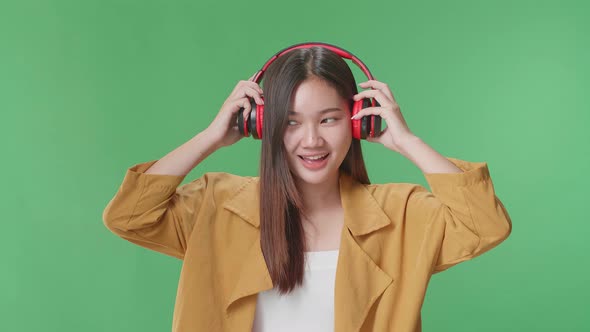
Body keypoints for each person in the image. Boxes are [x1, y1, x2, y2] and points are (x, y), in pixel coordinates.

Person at [103, 43, 512, 332]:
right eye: (292, 122)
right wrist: (211, 137)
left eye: (330, 119)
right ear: (263, 126)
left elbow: (484, 225)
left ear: (358, 122)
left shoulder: (399, 215)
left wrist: (408, 142)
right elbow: (129, 216)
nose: (311, 140)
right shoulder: (218, 205)